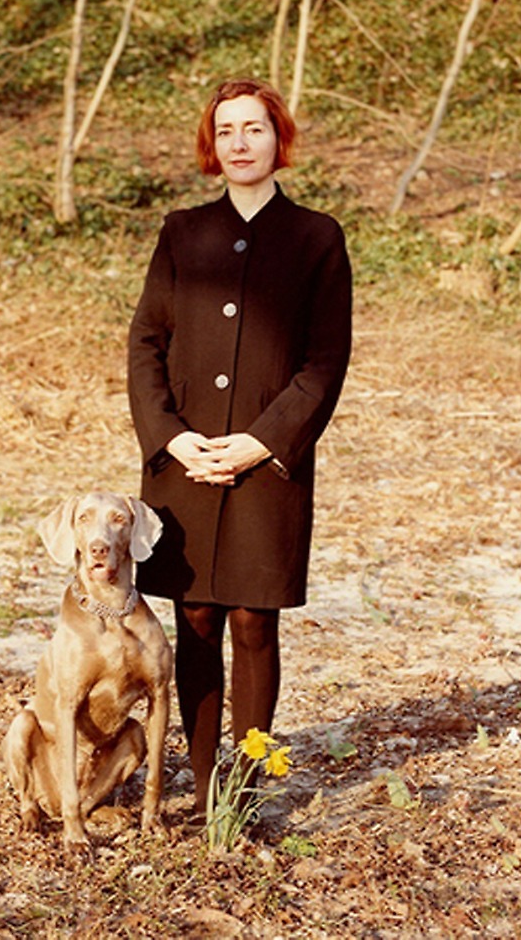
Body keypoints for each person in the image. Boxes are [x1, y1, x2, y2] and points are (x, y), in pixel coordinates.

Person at [126, 77, 353, 812]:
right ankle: (198, 782)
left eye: (253, 129)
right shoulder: (182, 232)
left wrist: (263, 442)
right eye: (226, 131)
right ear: (211, 144)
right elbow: (146, 343)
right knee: (194, 615)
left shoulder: (318, 237)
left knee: (254, 618)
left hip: (268, 462)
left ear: (277, 139)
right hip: (186, 457)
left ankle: (245, 787)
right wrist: (172, 439)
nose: (239, 143)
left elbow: (325, 360)